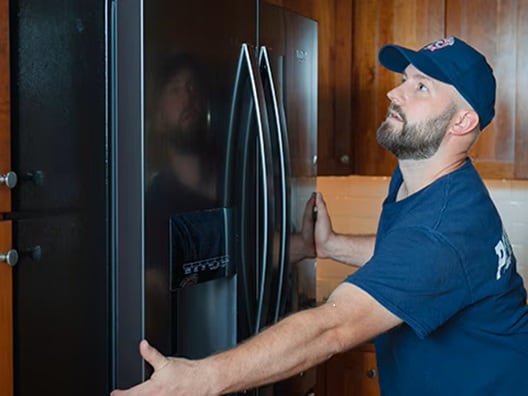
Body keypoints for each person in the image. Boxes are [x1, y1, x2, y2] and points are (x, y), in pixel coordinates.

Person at [111, 37, 528, 395]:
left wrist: (203, 378)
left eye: (422, 87)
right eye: (404, 80)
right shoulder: (422, 179)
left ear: (463, 120)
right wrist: (332, 246)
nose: (394, 94)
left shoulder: (443, 230)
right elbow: (405, 259)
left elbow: (333, 329)